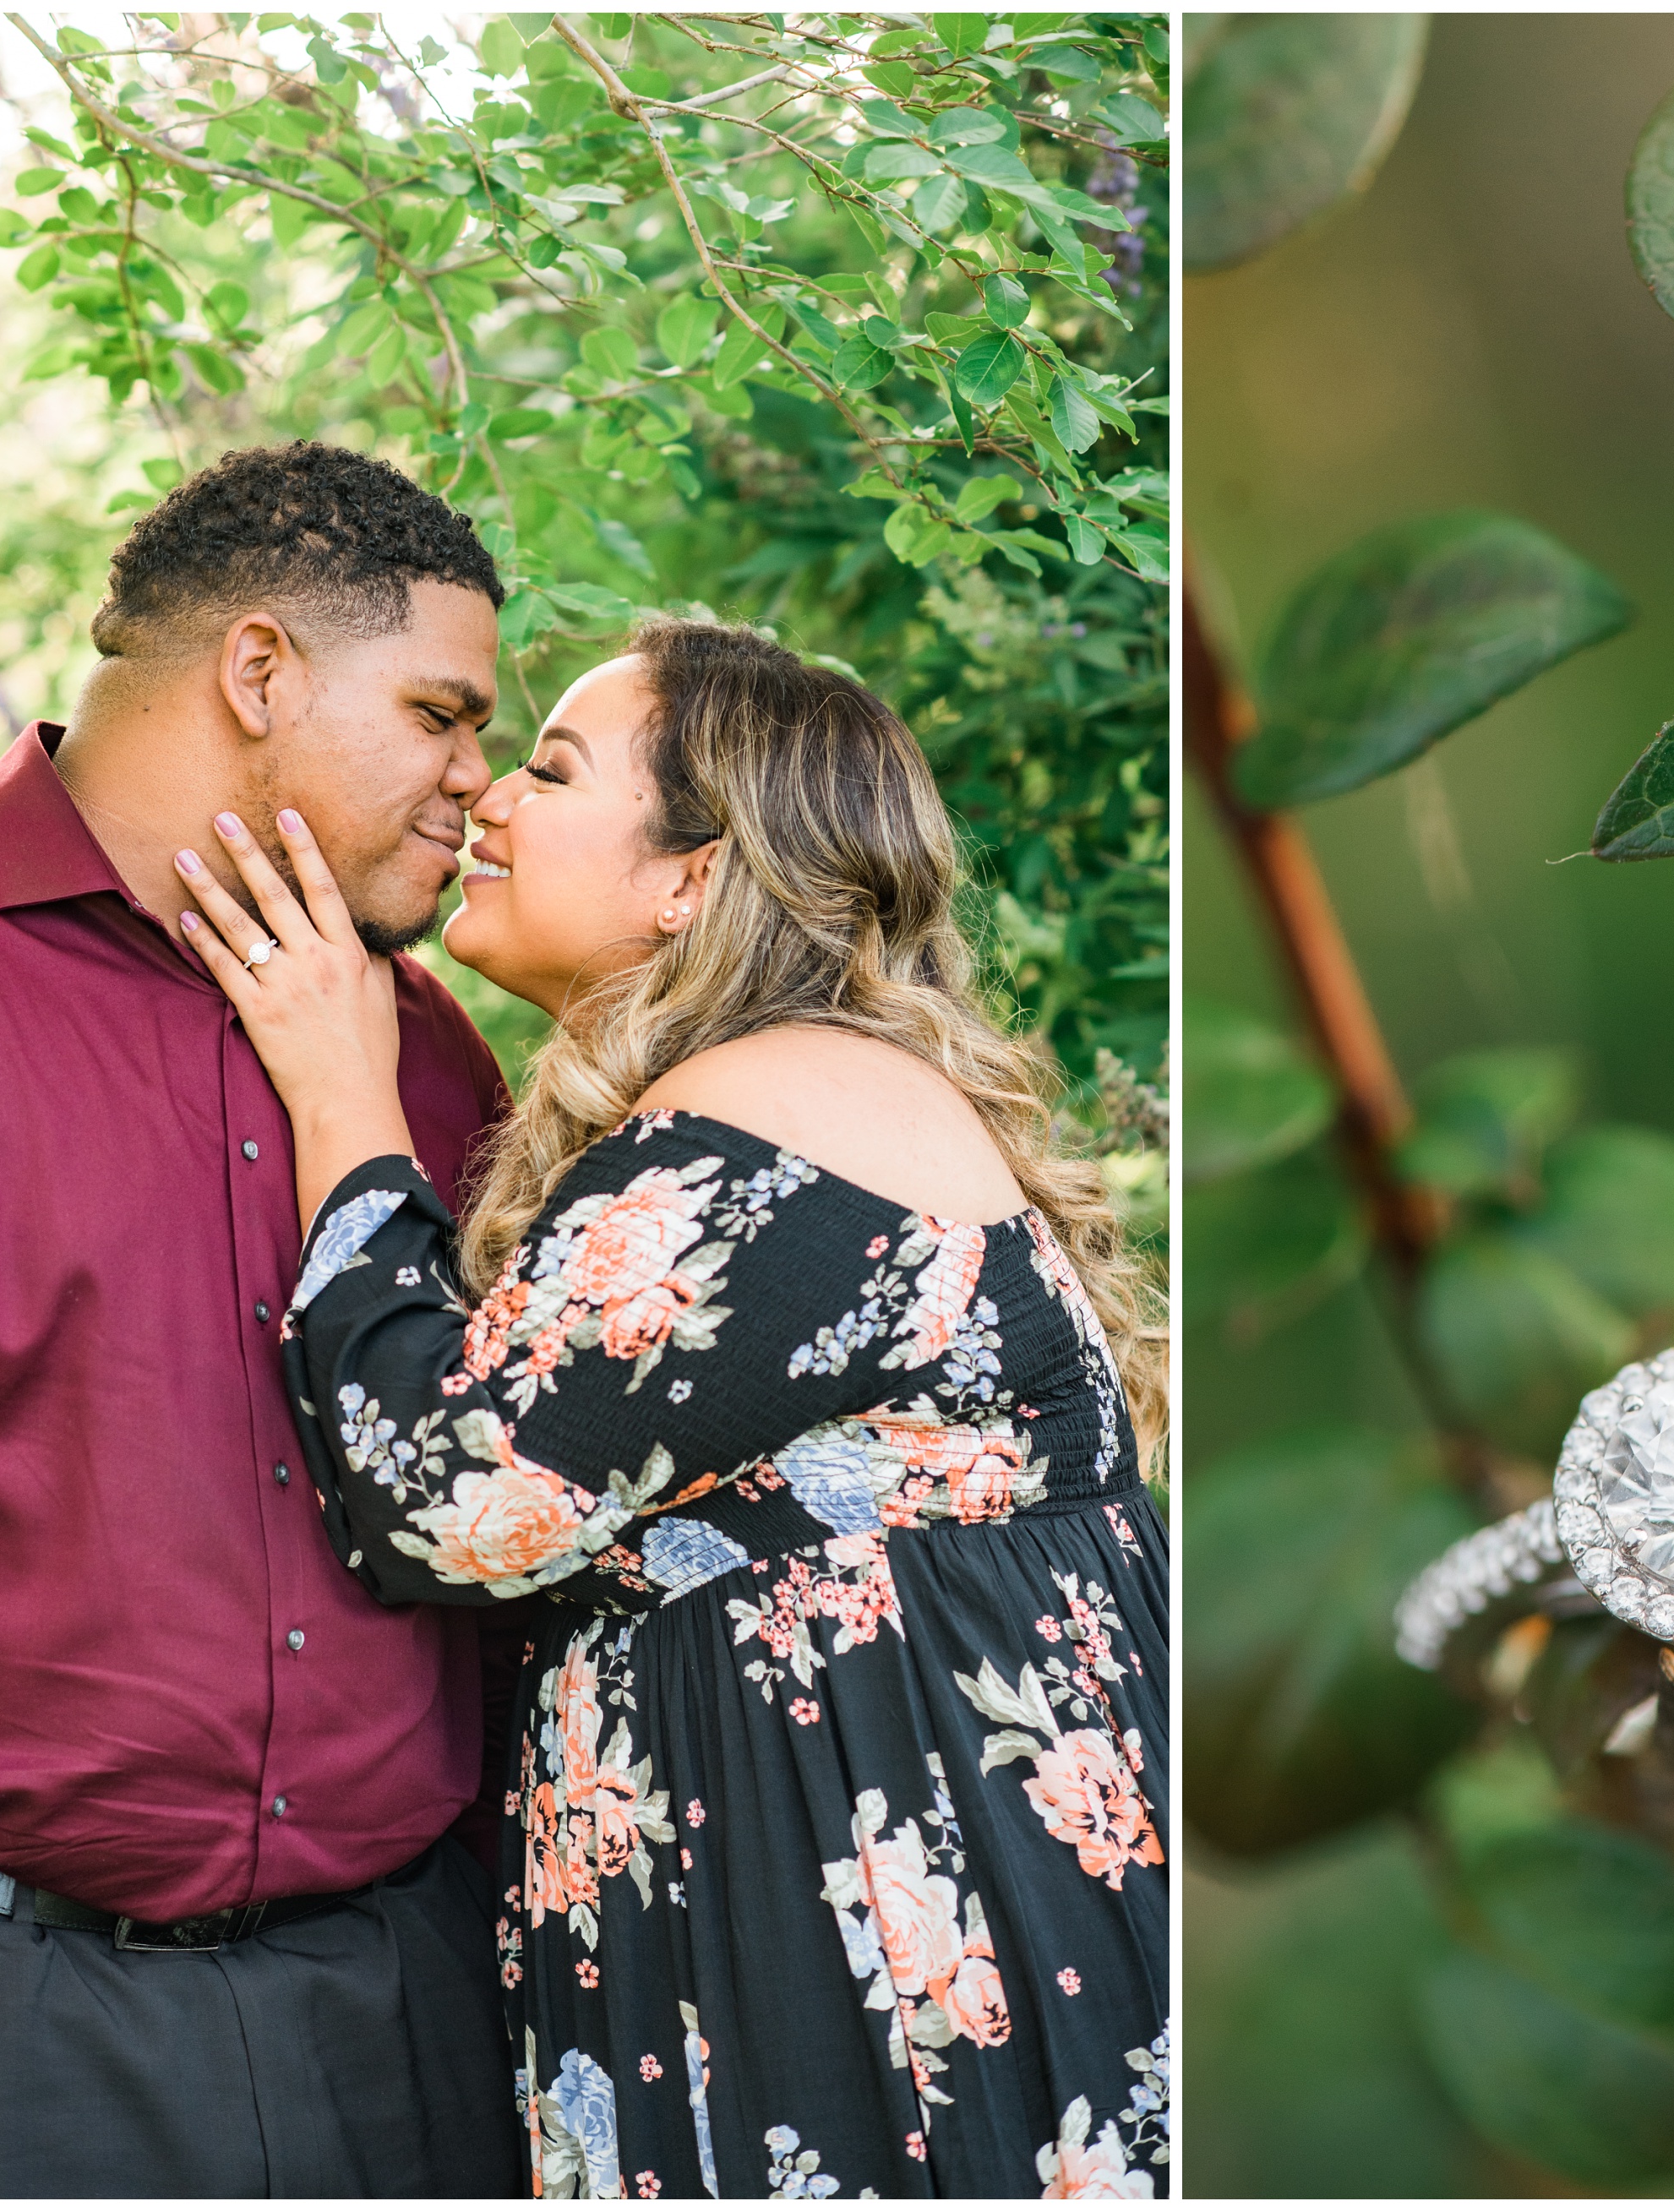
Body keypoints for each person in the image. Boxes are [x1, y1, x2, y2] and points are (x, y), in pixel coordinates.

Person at [168, 617, 1172, 2198]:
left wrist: (342, 1101)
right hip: (822, 1944)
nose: (488, 797)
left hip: (903, 1989)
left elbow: (452, 1500)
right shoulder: (773, 1098)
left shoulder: (782, 1100)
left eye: (553, 769)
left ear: (691, 876)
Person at [0, 442, 530, 2195]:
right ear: (258, 671)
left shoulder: (430, 1055)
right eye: (443, 713)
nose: (481, 780)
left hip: (401, 2030)